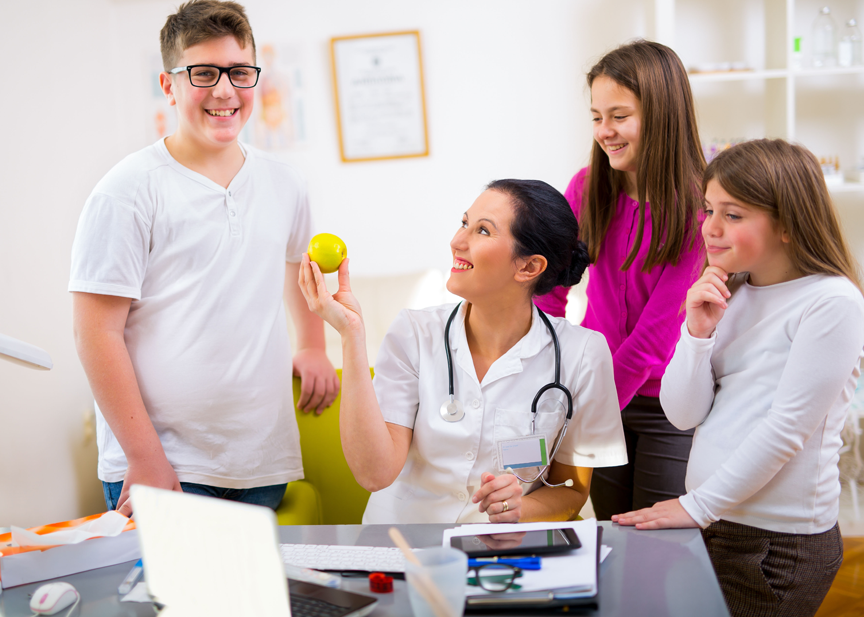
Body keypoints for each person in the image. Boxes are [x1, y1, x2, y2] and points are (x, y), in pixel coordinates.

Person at [69, 0, 339, 517]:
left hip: (261, 461)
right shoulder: (125, 192)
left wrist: (312, 345)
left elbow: (295, 265)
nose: (224, 90)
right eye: (202, 73)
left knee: (255, 601)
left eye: (239, 72)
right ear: (168, 85)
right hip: (163, 467)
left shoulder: (286, 183)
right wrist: (145, 459)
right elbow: (94, 333)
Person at [614, 139, 864, 617]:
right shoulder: (733, 290)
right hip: (719, 522)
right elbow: (683, 414)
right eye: (709, 210)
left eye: (732, 214)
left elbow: (787, 428)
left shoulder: (831, 302)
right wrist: (696, 334)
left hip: (776, 543)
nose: (710, 228)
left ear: (789, 222)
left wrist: (696, 506)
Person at [299, 179, 628, 524]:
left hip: (499, 554)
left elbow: (572, 489)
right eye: (464, 223)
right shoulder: (414, 332)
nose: (457, 242)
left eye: (483, 231)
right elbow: (374, 475)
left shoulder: (583, 354)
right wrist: (351, 336)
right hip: (403, 545)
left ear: (529, 267)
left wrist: (520, 509)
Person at [534, 40, 706, 520]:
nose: (604, 131)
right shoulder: (586, 188)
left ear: (662, 114)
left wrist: (589, 408)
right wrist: (546, 371)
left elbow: (655, 337)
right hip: (599, 391)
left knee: (655, 539)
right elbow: (550, 292)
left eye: (619, 116)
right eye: (596, 117)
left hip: (669, 407)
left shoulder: (697, 208)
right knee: (611, 531)